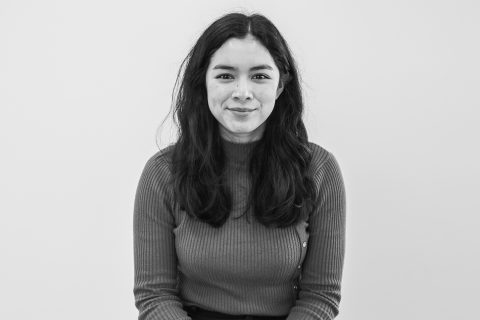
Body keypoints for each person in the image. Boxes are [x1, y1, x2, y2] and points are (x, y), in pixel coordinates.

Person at [133, 12, 346, 320]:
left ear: (281, 86)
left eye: (259, 76)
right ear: (203, 82)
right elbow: (155, 296)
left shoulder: (320, 170)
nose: (242, 92)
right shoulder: (162, 173)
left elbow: (320, 296)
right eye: (225, 76)